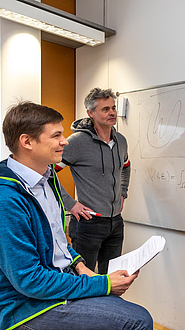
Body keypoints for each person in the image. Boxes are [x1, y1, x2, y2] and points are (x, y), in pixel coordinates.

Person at [0, 101, 152, 330]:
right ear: (27, 141)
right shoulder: (1, 201)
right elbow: (30, 281)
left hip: (52, 285)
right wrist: (103, 284)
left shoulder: (47, 178)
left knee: (122, 310)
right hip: (22, 307)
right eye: (56, 135)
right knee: (137, 320)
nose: (65, 141)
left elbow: (57, 242)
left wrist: (79, 266)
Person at [56, 87, 129, 274]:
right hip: (88, 223)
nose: (112, 112)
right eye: (105, 109)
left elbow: (126, 166)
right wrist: (70, 204)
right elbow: (47, 172)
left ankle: (110, 306)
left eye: (113, 108)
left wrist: (122, 192)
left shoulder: (120, 140)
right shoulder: (77, 142)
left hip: (115, 222)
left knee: (114, 278)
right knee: (83, 281)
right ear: (91, 113)